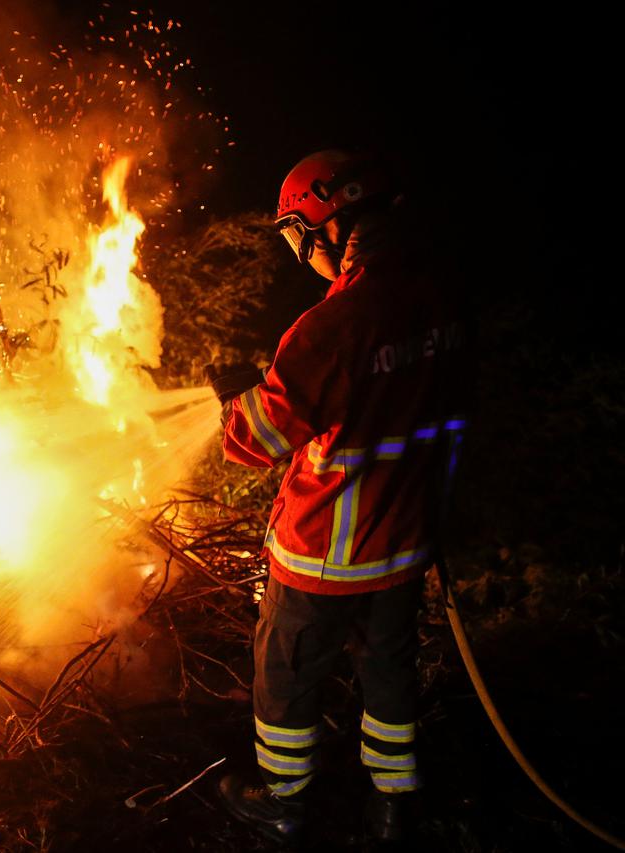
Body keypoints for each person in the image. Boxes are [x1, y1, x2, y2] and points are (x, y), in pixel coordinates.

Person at [207, 149, 472, 845]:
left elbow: (257, 437)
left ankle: (282, 800)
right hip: (405, 543)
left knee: (287, 674)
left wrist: (234, 400)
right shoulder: (440, 298)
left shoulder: (335, 324)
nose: (304, 255)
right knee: (389, 672)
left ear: (329, 225)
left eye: (300, 237)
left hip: (322, 553)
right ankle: (393, 803)